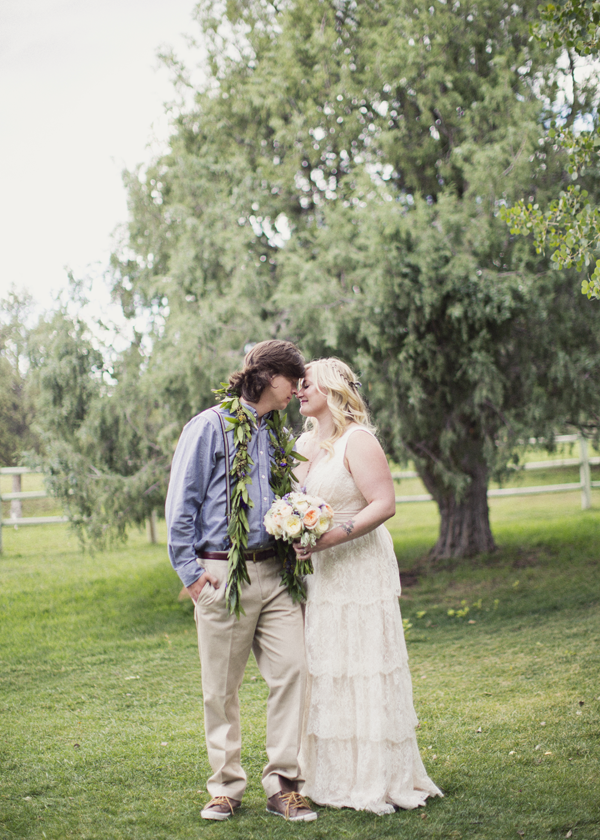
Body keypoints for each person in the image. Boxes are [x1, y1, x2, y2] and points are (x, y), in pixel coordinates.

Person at [165, 340, 317, 823]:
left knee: (294, 670)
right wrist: (192, 577)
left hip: (275, 575)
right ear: (271, 377)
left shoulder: (276, 433)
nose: (297, 390)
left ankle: (285, 785)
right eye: (294, 380)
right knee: (220, 689)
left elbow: (286, 494)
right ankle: (226, 787)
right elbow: (180, 505)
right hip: (221, 575)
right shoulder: (209, 427)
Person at [293, 358, 442, 814]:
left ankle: (376, 775)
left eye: (307, 384)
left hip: (356, 564)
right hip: (318, 572)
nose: (298, 391)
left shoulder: (357, 440)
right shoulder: (302, 442)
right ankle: (328, 775)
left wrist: (330, 537)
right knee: (326, 663)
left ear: (332, 389)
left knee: (362, 662)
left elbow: (384, 503)